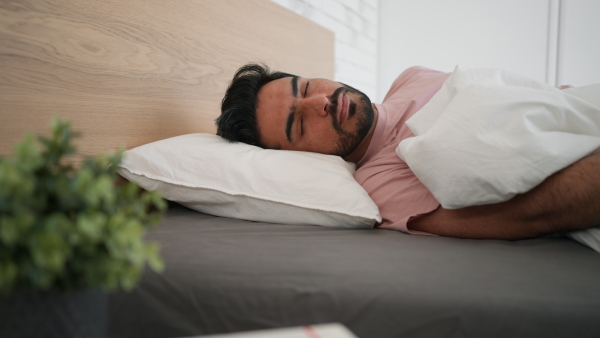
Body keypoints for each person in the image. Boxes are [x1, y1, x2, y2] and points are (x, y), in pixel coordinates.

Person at [216, 63, 600, 240]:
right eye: (299, 125)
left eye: (307, 85)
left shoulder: (410, 77)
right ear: (299, 158)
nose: (321, 101)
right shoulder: (379, 185)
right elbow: (530, 214)